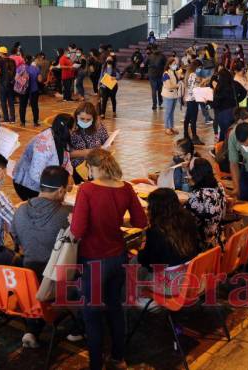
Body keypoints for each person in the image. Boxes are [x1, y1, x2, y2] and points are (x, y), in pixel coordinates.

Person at [70, 149, 148, 370]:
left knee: (92, 313)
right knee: (115, 307)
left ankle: (96, 363)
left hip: (93, 259)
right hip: (118, 256)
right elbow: (140, 222)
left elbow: (77, 230)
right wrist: (115, 222)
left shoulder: (87, 190)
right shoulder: (126, 188)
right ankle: (118, 357)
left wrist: (74, 218)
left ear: (95, 168)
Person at [12, 165, 72, 349]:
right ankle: (77, 327)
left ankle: (31, 330)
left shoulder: (21, 210)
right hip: (55, 279)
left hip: (26, 277)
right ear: (61, 190)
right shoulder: (66, 214)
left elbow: (16, 240)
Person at [137, 188, 200, 296]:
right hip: (193, 275)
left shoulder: (155, 231)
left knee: (133, 267)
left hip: (172, 284)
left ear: (155, 208)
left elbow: (152, 265)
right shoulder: (188, 219)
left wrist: (141, 251)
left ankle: (135, 305)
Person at [13, 114, 74, 200]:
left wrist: (69, 176)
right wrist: (59, 185)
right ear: (67, 130)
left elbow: (66, 160)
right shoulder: (44, 142)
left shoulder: (61, 136)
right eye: (73, 129)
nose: (73, 132)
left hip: (47, 184)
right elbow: (35, 174)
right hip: (28, 186)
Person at [185, 158, 227, 249]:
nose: (188, 176)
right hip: (218, 241)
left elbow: (187, 223)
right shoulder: (219, 187)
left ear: (195, 175)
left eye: (189, 174)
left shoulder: (198, 196)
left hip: (203, 247)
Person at [70, 102, 109, 183]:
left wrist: (108, 144)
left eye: (88, 119)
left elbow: (106, 140)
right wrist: (85, 152)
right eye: (82, 119)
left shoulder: (99, 126)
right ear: (76, 116)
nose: (85, 122)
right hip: (77, 170)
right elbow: (66, 154)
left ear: (93, 119)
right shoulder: (71, 128)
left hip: (96, 167)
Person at [213, 67, 245, 142]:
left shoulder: (219, 87)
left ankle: (222, 149)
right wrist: (238, 99)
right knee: (233, 131)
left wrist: (208, 103)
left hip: (223, 114)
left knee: (224, 133)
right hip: (234, 111)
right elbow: (244, 92)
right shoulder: (235, 84)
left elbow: (216, 103)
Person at [17, 55, 42, 127]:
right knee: (34, 106)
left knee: (22, 106)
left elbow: (16, 78)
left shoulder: (20, 68)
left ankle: (22, 122)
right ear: (31, 61)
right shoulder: (35, 68)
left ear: (24, 60)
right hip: (34, 90)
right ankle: (35, 122)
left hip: (23, 90)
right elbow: (40, 80)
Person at [182, 63, 203, 145]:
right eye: (199, 67)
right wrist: (202, 82)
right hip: (193, 99)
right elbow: (197, 85)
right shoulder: (194, 75)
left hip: (189, 98)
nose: (200, 69)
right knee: (193, 119)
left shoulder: (189, 74)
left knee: (187, 117)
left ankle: (186, 134)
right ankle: (194, 137)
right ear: (196, 67)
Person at [0, 46, 16, 123]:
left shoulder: (0, 61)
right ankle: (13, 118)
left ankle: (6, 118)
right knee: (11, 102)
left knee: (3, 102)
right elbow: (15, 72)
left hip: (2, 84)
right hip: (11, 84)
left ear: (1, 53)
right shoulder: (12, 61)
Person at [161, 58, 181, 136]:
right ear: (169, 65)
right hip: (168, 95)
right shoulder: (166, 74)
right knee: (168, 112)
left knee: (172, 112)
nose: (175, 65)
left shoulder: (174, 72)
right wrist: (178, 85)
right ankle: (167, 128)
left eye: (175, 64)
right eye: (173, 64)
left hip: (174, 95)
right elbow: (169, 86)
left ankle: (171, 127)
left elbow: (179, 77)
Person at [147, 46, 166, 110]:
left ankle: (154, 105)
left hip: (152, 75)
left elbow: (144, 64)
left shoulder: (150, 56)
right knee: (160, 90)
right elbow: (166, 64)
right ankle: (160, 103)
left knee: (154, 90)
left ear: (152, 49)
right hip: (160, 75)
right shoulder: (162, 56)